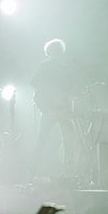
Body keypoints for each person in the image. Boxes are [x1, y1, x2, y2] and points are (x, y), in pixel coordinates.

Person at [31, 38, 75, 176]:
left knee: (67, 139)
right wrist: (48, 95)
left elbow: (69, 89)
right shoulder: (45, 67)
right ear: (50, 52)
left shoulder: (62, 68)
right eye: (55, 51)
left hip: (59, 108)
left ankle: (67, 171)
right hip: (51, 109)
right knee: (44, 139)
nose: (57, 54)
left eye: (58, 51)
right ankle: (33, 170)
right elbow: (34, 83)